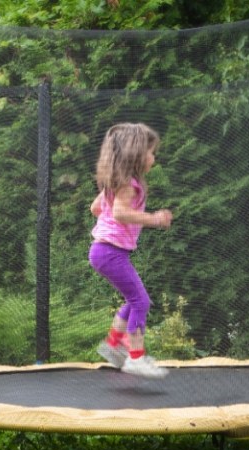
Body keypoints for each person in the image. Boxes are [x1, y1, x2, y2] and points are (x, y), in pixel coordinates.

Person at [88, 123, 173, 378]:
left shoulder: (115, 183)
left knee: (134, 299)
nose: (153, 158)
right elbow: (119, 213)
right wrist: (154, 219)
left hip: (106, 251)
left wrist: (111, 223)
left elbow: (96, 209)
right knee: (141, 301)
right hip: (109, 252)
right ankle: (135, 356)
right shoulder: (128, 185)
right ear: (136, 155)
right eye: (151, 152)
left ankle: (113, 343)